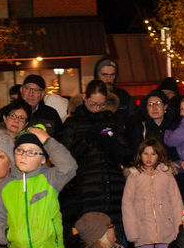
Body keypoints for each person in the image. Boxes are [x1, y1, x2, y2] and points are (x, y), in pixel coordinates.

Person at [56, 79, 132, 234]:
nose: (97, 109)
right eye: (93, 104)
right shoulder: (73, 123)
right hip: (87, 189)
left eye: (101, 104)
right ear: (85, 98)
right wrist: (87, 140)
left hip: (113, 187)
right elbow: (66, 158)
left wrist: (110, 143)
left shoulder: (113, 120)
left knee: (114, 236)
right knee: (92, 236)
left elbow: (126, 154)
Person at [121, 139, 183, 248]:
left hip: (166, 226)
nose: (149, 157)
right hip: (144, 228)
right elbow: (127, 205)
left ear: (159, 155)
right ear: (140, 155)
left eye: (153, 153)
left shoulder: (166, 175)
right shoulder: (134, 177)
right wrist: (132, 232)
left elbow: (176, 201)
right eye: (145, 153)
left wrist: (179, 227)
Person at [93, 56, 136, 124]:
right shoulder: (90, 97)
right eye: (104, 75)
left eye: (112, 75)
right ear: (97, 75)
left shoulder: (124, 96)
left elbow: (134, 122)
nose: (108, 79)